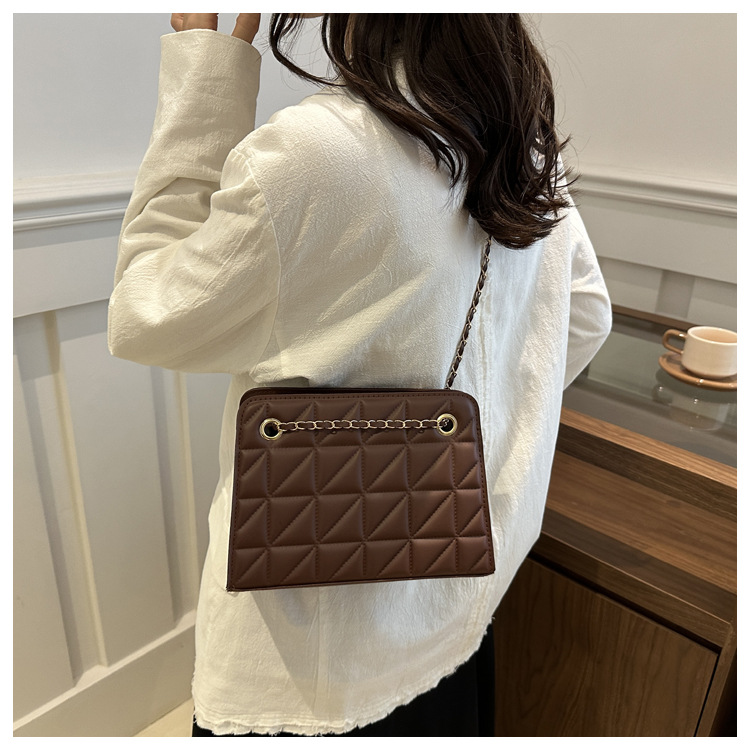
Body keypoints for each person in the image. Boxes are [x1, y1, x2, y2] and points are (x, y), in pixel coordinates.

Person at [108, 13, 611, 737]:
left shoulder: (320, 151)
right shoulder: (526, 152)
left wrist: (205, 72)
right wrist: (485, 413)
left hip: (313, 672)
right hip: (457, 611)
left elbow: (145, 312)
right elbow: (585, 317)